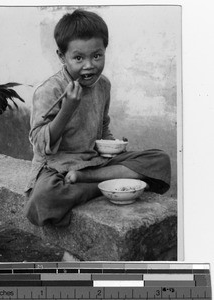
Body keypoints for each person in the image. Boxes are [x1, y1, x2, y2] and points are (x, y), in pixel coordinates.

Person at [24, 9, 171, 227]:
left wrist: (114, 146)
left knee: (159, 160)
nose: (89, 65)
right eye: (78, 58)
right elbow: (39, 143)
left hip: (93, 163)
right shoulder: (50, 90)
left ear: (105, 51)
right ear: (61, 57)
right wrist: (67, 109)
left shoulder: (103, 85)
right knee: (43, 200)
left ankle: (89, 180)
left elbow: (102, 127)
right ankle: (108, 184)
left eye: (97, 55)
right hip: (58, 166)